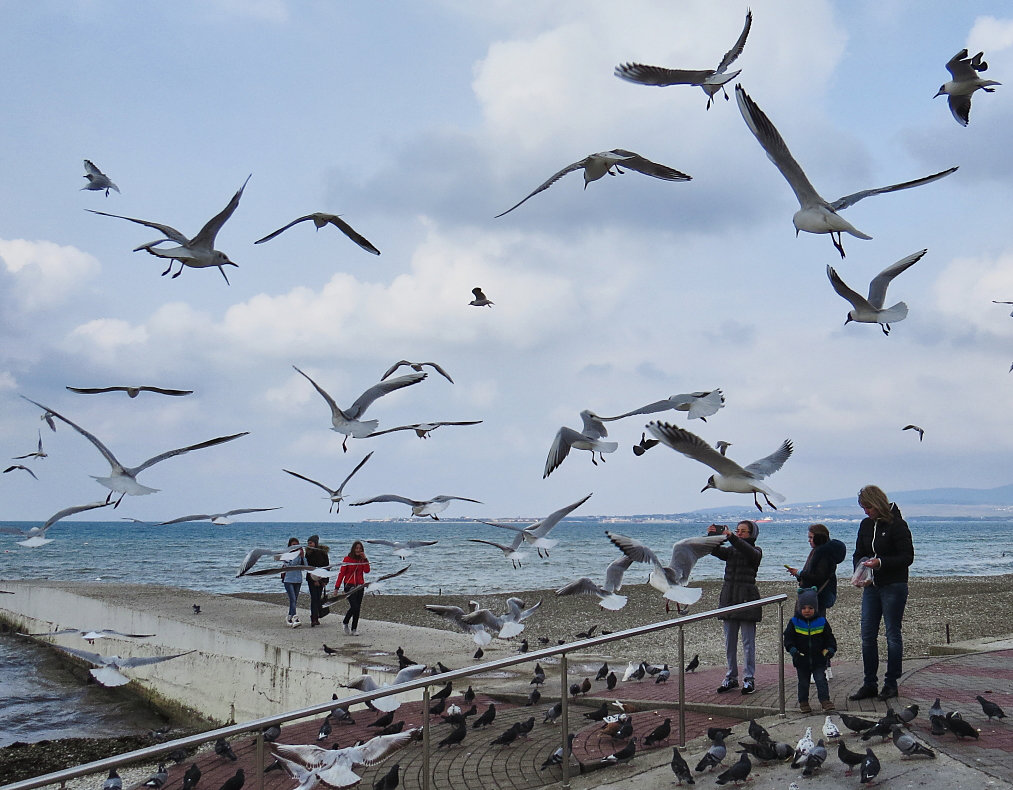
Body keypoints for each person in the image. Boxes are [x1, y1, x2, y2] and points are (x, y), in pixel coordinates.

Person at [848, 484, 914, 702]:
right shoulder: (866, 525)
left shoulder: (898, 525)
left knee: (892, 634)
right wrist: (860, 570)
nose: (866, 512)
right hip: (871, 586)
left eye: (868, 507)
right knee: (867, 635)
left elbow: (907, 557)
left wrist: (881, 563)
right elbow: (859, 552)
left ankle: (891, 683)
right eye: (863, 508)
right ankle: (869, 683)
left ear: (877, 504)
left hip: (893, 585)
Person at [707, 520, 762, 695]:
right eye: (738, 531)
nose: (739, 534)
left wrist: (731, 537)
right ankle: (731, 677)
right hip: (729, 598)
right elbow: (713, 550)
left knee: (748, 643)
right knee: (729, 643)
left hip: (747, 599)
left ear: (752, 534)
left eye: (743, 531)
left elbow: (748, 551)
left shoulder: (756, 551)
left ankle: (749, 678)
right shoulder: (731, 550)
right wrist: (713, 536)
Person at [785, 523, 847, 678]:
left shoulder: (822, 553)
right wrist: (800, 574)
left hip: (816, 597)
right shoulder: (823, 552)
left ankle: (821, 668)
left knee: (815, 633)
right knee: (816, 631)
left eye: (811, 537)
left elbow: (818, 577)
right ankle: (824, 667)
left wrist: (800, 573)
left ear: (819, 537)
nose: (809, 541)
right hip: (817, 596)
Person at [783, 587, 837, 713]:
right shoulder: (794, 622)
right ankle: (803, 702)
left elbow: (829, 637)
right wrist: (792, 650)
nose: (807, 611)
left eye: (811, 608)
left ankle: (825, 701)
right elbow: (788, 639)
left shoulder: (822, 621)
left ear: (816, 608)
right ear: (799, 608)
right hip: (801, 658)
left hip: (819, 658)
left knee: (821, 680)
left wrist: (830, 649)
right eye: (804, 608)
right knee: (803, 682)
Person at [334, 540, 370, 635]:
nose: (358, 550)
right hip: (349, 585)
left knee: (357, 608)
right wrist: (336, 588)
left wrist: (365, 559)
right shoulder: (347, 559)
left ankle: (354, 629)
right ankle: (345, 622)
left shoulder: (362, 559)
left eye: (360, 549)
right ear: (353, 549)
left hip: (360, 586)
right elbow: (341, 574)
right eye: (356, 548)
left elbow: (367, 571)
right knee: (354, 606)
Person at [304, 534, 331, 628]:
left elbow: (327, 566)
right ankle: (314, 618)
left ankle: (316, 616)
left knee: (318, 598)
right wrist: (314, 579)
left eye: (310, 543)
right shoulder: (308, 553)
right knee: (314, 598)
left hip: (322, 577)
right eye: (308, 543)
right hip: (311, 578)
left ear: (315, 543)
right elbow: (308, 567)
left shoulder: (323, 552)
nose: (309, 544)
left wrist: (324, 580)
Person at [280, 537, 304, 628]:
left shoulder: (300, 554)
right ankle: (295, 618)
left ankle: (289, 617)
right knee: (292, 599)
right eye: (293, 545)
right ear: (290, 545)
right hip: (289, 579)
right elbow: (290, 565)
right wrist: (295, 555)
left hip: (298, 579)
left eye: (296, 545)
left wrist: (302, 556)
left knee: (294, 600)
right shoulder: (286, 554)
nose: (295, 546)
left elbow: (304, 565)